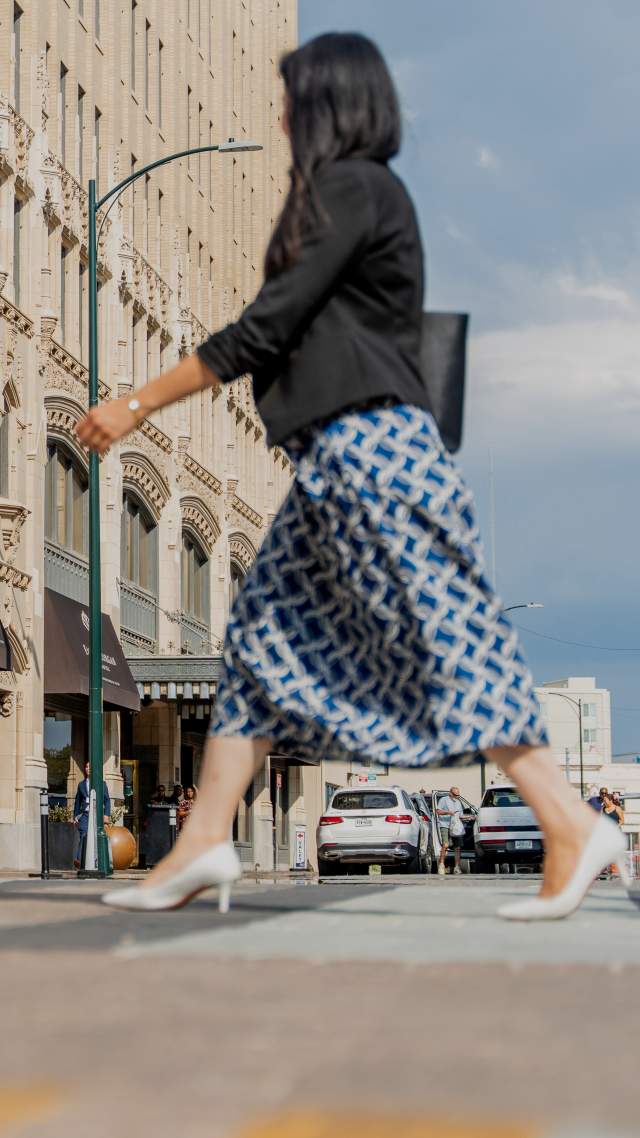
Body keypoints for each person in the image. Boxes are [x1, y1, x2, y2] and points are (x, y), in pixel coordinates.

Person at [79, 32, 625, 921]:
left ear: (331, 102)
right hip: (338, 457)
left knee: (448, 635)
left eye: (293, 99)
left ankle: (567, 820)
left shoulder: (356, 188)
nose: (283, 116)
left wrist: (135, 404)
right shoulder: (349, 197)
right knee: (259, 643)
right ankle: (206, 837)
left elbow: (268, 326)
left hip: (374, 452)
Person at [73, 761, 111, 869]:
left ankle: (97, 862)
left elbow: (107, 800)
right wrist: (75, 817)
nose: (88, 768)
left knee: (97, 837)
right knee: (83, 835)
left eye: (90, 767)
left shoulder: (102, 784)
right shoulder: (81, 784)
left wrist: (106, 815)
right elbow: (77, 801)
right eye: (86, 766)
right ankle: (79, 860)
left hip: (98, 814)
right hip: (85, 815)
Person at [437, 787, 470, 876]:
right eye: (455, 795)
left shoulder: (459, 802)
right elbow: (438, 811)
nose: (457, 796)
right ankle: (441, 865)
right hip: (445, 824)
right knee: (446, 844)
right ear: (450, 793)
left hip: (455, 826)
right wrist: (448, 812)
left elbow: (460, 815)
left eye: (458, 795)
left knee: (457, 847)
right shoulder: (443, 800)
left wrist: (469, 817)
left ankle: (457, 867)